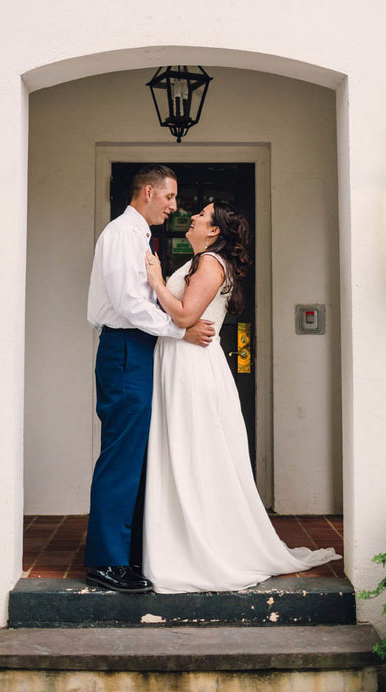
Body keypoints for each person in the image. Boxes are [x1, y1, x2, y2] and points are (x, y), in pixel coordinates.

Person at [143, 200, 341, 593]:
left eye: (201, 214)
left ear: (214, 230)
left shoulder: (211, 263)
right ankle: (183, 540)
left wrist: (156, 282)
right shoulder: (204, 260)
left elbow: (184, 316)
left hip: (191, 366)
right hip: (182, 358)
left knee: (194, 451)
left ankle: (204, 547)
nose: (193, 216)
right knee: (183, 451)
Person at [85, 165, 215, 593]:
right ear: (148, 192)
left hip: (137, 348)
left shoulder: (137, 234)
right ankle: (107, 562)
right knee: (121, 454)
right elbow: (128, 305)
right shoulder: (123, 234)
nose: (175, 206)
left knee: (136, 452)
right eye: (169, 197)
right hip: (125, 348)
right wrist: (180, 329)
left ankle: (129, 552)